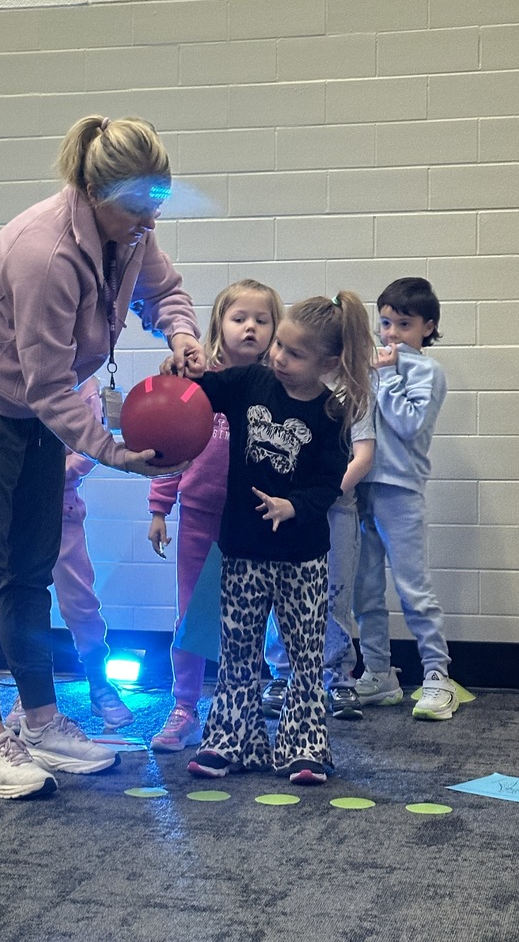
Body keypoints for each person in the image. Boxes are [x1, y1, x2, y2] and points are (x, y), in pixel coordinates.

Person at [0, 114, 205, 799]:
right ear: (91, 190)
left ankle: (44, 722)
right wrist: (116, 452)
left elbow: (163, 291)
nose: (146, 224)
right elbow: (49, 387)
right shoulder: (43, 251)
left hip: (33, 413)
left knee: (31, 571)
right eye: (135, 209)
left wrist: (182, 333)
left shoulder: (133, 233)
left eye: (156, 207)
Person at [184, 291, 374, 785]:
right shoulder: (251, 381)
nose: (277, 357)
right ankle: (231, 740)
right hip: (244, 549)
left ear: (327, 363)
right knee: (238, 653)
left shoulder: (332, 414)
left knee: (306, 656)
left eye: (293, 353)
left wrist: (295, 506)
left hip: (302, 557)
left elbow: (331, 479)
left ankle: (304, 745)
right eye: (279, 346)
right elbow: (205, 392)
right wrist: (184, 369)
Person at [146, 279, 285, 752]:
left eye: (261, 320)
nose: (250, 328)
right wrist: (159, 509)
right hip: (201, 519)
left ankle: (237, 709)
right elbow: (171, 446)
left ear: (275, 329)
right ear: (218, 326)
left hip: (253, 524)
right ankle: (184, 706)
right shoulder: (197, 387)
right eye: (239, 318)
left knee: (247, 621)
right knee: (192, 617)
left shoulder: (277, 387)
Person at [4, 377, 134, 734]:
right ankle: (29, 691)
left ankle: (98, 682)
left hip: (62, 511)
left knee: (81, 603)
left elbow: (90, 449)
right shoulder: (11, 378)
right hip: (18, 510)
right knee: (20, 600)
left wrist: (49, 475)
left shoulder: (84, 387)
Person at [352, 277, 457, 720]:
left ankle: (437, 675)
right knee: (366, 589)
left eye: (404, 324)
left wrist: (389, 376)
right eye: (385, 323)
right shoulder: (374, 365)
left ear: (427, 328)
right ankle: (378, 673)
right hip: (364, 488)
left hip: (401, 491)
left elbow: (410, 425)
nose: (391, 333)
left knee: (414, 588)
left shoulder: (426, 372)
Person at [262, 402, 375, 721]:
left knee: (335, 596)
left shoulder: (353, 395)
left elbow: (364, 458)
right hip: (287, 509)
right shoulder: (281, 389)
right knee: (284, 593)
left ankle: (337, 677)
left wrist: (318, 497)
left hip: (336, 510)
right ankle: (283, 674)